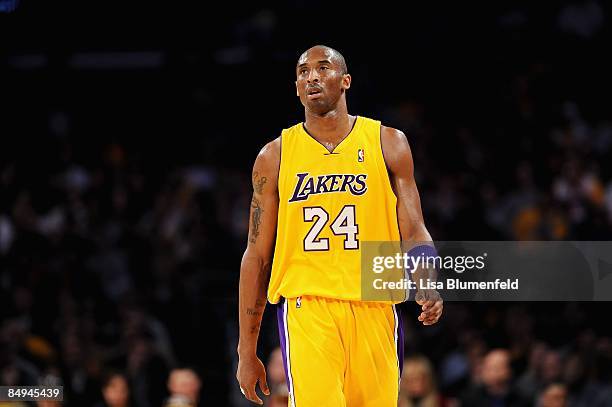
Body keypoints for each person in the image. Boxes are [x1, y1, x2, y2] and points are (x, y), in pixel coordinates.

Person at [236, 45, 443, 406]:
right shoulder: (274, 156)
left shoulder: (388, 142)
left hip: (375, 302)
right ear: (297, 88)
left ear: (345, 80)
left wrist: (425, 278)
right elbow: (256, 255)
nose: (312, 77)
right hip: (309, 307)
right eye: (303, 72)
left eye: (323, 68)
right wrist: (246, 349)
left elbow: (414, 229)